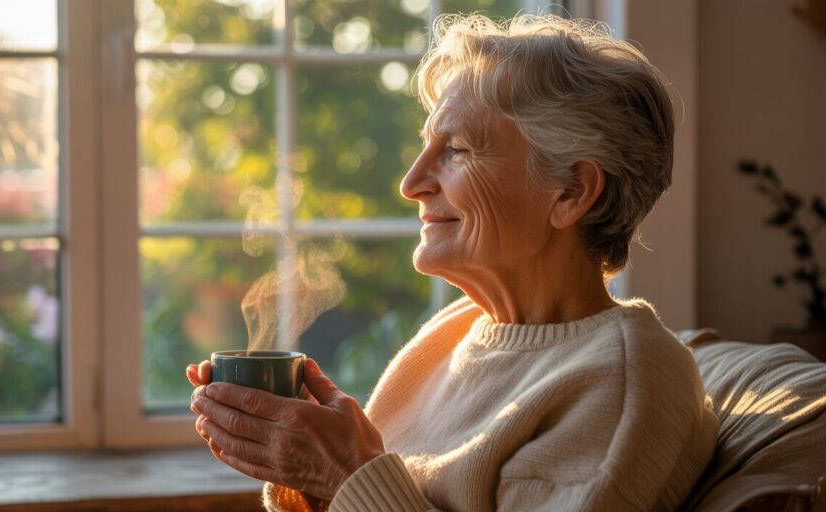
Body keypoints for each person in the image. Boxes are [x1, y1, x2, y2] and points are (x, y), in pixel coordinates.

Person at [187, 13, 718, 512]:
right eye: (426, 145)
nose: (411, 183)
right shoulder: (456, 330)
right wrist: (304, 464)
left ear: (572, 191)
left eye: (458, 150)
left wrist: (348, 472)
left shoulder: (622, 385)